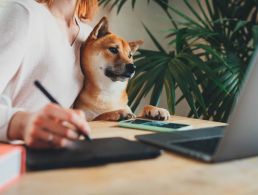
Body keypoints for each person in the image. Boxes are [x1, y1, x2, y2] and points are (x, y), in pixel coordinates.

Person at [0, 0, 98, 148]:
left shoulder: (88, 37)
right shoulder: (24, 13)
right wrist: (19, 123)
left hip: (54, 155)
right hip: (10, 156)